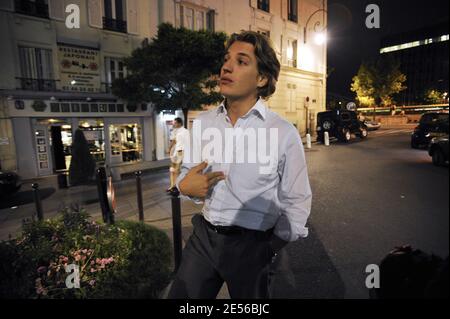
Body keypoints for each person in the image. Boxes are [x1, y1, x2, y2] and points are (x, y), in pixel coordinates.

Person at [168, 31, 312, 299]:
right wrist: (184, 186)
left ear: (262, 78)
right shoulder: (203, 123)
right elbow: (187, 178)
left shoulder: (282, 132)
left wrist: (268, 247)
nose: (227, 66)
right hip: (203, 239)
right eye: (226, 59)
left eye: (241, 61)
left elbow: (297, 200)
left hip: (252, 245)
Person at [167, 117, 189, 194]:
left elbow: (188, 143)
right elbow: (173, 141)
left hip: (181, 152)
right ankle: (172, 185)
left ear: (179, 123)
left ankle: (176, 186)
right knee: (172, 170)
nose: (174, 124)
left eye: (175, 123)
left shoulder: (185, 131)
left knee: (176, 170)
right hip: (175, 152)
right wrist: (170, 149)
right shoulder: (175, 131)